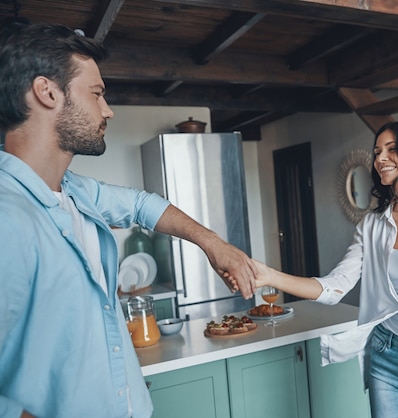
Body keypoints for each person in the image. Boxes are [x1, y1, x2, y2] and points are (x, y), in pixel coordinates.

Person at [0, 21, 257, 418]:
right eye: (97, 94)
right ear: (47, 92)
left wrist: (214, 245)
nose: (108, 110)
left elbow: (143, 205)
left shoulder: (75, 191)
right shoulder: (8, 216)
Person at [253, 121, 398, 418]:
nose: (379, 158)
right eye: (377, 151)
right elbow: (334, 287)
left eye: (391, 149)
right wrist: (270, 276)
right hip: (385, 356)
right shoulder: (372, 224)